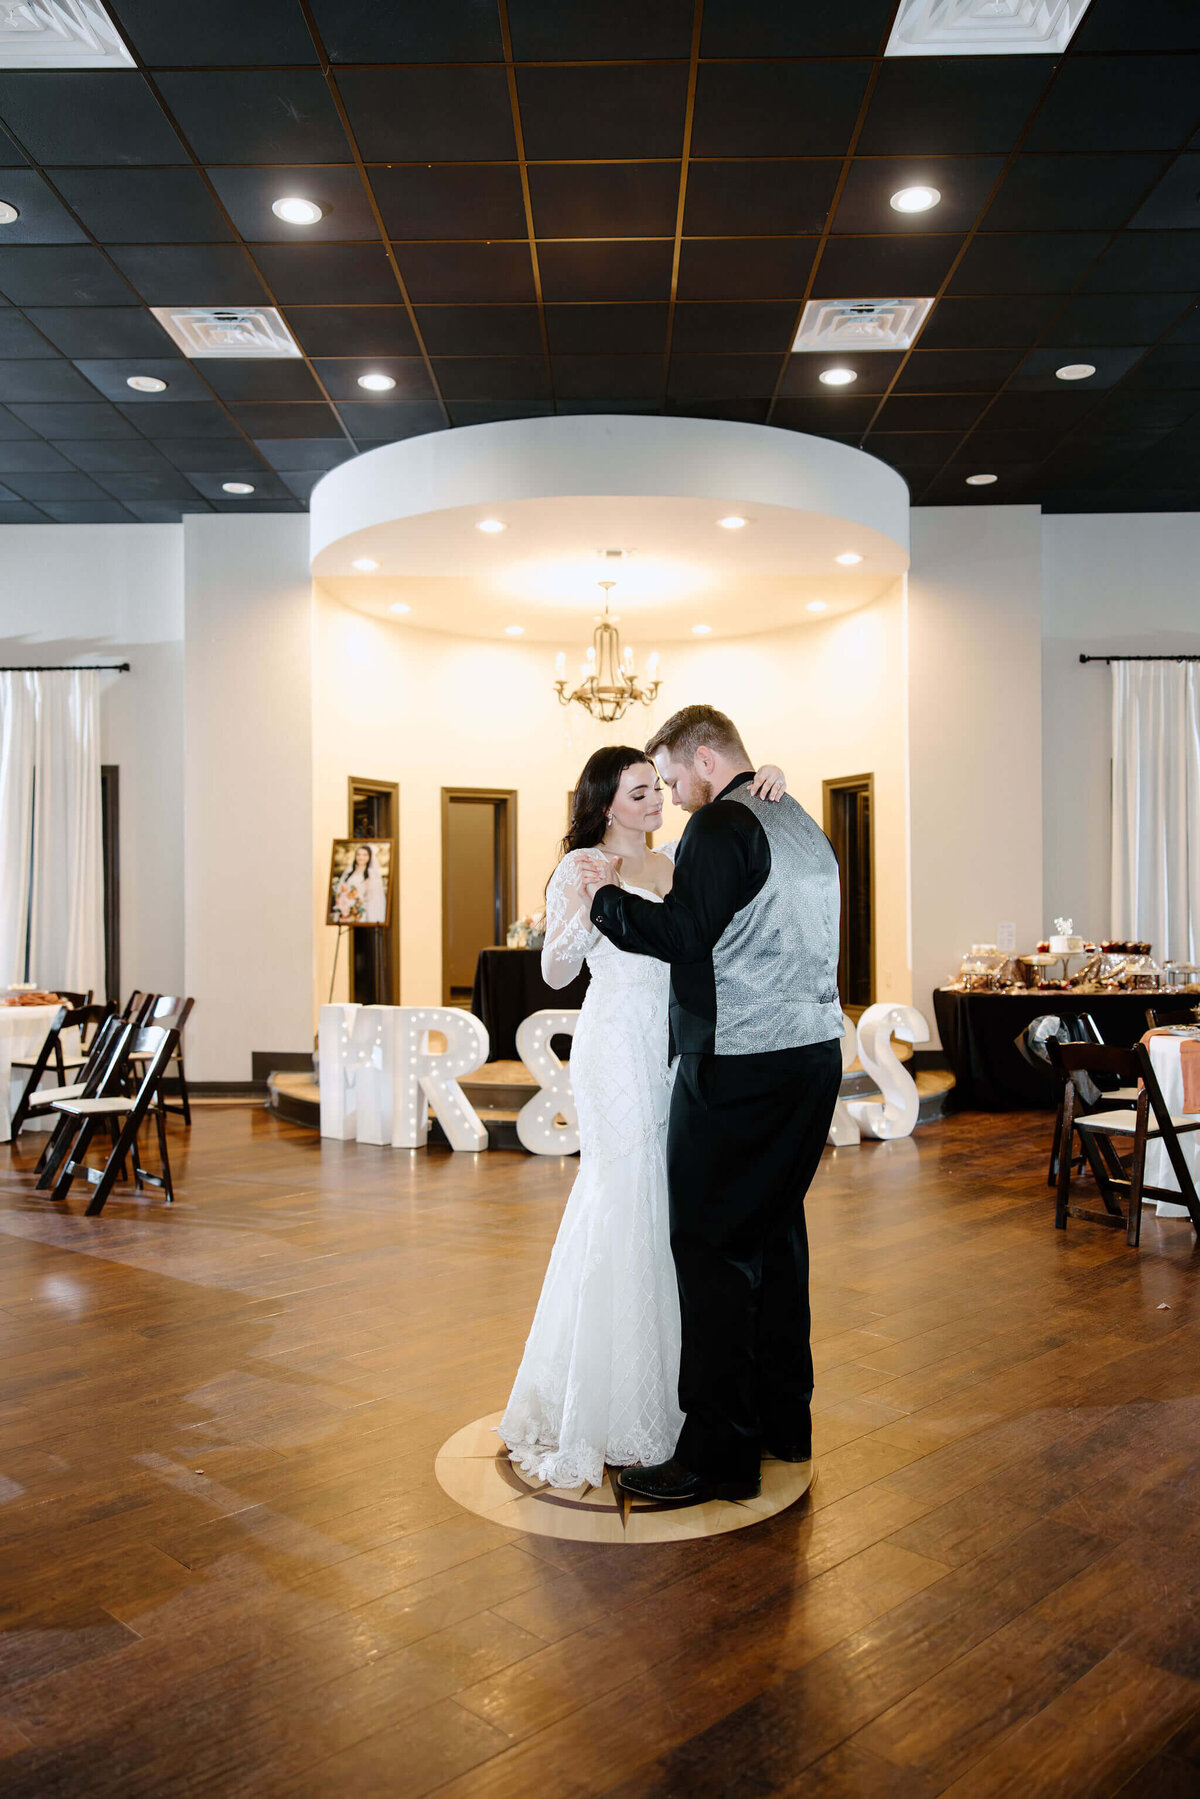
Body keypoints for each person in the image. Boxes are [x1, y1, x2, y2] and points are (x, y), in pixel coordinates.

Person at [499, 745, 787, 1491]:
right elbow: (555, 971)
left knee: (671, 1207)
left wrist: (767, 787)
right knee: (622, 1197)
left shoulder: (673, 864)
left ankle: (671, 1395)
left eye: (658, 788)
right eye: (639, 793)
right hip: (612, 1045)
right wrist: (590, 905)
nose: (656, 801)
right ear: (604, 806)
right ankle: (606, 1403)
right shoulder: (580, 866)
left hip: (671, 1045)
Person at [581, 704, 842, 1507]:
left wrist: (604, 904)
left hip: (740, 1063)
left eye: (671, 775)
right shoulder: (797, 820)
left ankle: (718, 1455)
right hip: (814, 1054)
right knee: (775, 1236)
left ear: (702, 757)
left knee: (711, 1250)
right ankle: (780, 1422)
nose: (672, 794)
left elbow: (687, 934)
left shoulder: (721, 826)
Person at [332, 843, 386, 925]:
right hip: (347, 911)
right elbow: (342, 889)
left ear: (369, 857)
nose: (361, 857)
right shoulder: (349, 873)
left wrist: (357, 905)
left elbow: (372, 896)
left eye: (364, 855)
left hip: (361, 912)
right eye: (359, 854)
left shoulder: (371, 875)